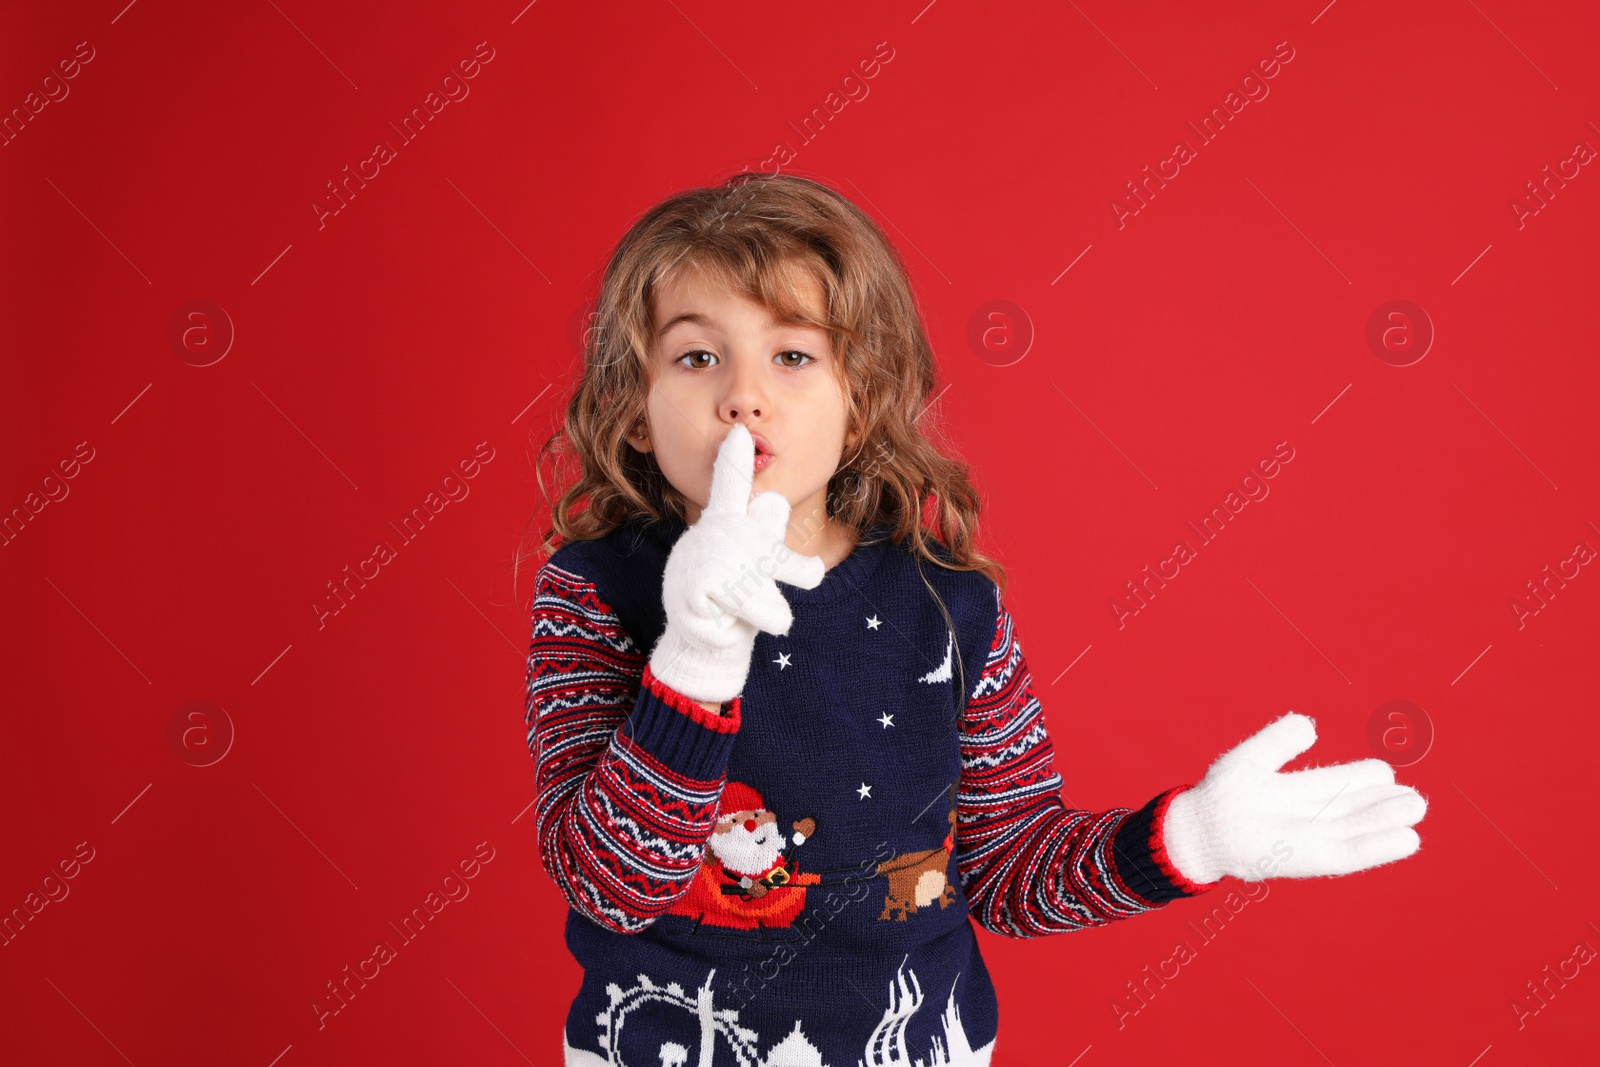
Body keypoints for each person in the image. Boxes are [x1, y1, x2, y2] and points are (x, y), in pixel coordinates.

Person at [520, 173, 1428, 1066]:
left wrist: (1194, 837)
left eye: (793, 356)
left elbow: (1006, 873)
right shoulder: (594, 591)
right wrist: (698, 653)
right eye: (695, 356)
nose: (742, 397)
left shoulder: (948, 606)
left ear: (860, 396)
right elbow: (611, 886)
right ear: (634, 410)